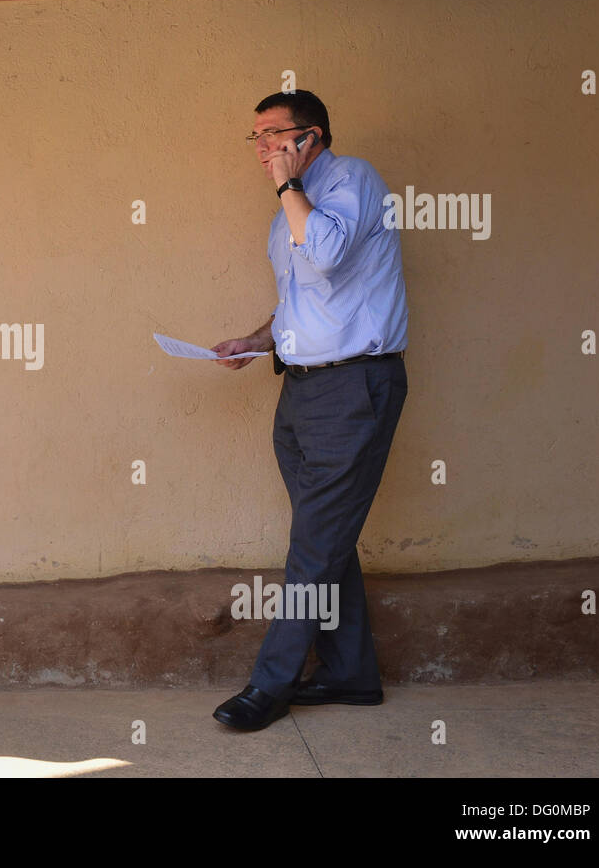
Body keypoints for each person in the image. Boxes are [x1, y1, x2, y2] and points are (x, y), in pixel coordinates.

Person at [209, 90, 409, 732]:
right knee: (326, 542)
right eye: (257, 136)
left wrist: (289, 187)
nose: (263, 146)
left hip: (354, 388)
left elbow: (324, 253)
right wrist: (253, 339)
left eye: (275, 134)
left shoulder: (350, 179)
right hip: (300, 392)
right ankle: (351, 675)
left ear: (312, 136)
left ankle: (271, 685)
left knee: (313, 547)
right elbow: (302, 298)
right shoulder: (286, 212)